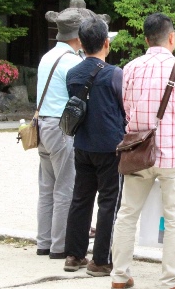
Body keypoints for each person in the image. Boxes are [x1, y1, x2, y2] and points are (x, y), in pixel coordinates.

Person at [111, 13, 175, 289]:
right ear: (172, 38)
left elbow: (127, 108)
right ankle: (172, 280)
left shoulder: (131, 68)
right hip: (172, 153)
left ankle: (119, 277)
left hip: (138, 152)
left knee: (127, 214)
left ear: (146, 38)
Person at [62, 17, 125, 276]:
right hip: (110, 146)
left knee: (81, 198)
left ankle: (74, 254)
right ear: (106, 43)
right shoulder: (114, 73)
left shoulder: (72, 73)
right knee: (110, 201)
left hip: (83, 142)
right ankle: (100, 260)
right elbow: (124, 106)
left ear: (82, 45)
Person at [36, 7, 99, 259]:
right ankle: (60, 246)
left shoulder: (47, 56)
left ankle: (44, 241)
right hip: (63, 128)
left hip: (42, 125)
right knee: (65, 187)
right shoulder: (73, 61)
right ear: (78, 36)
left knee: (46, 187)